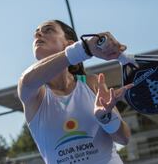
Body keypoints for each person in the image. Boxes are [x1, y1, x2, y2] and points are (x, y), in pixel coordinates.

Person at [17, 20, 134, 164]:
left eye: (48, 30)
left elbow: (124, 138)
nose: (38, 34)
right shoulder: (34, 92)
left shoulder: (92, 83)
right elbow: (26, 79)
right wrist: (85, 48)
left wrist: (107, 118)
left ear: (68, 44)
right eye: (37, 32)